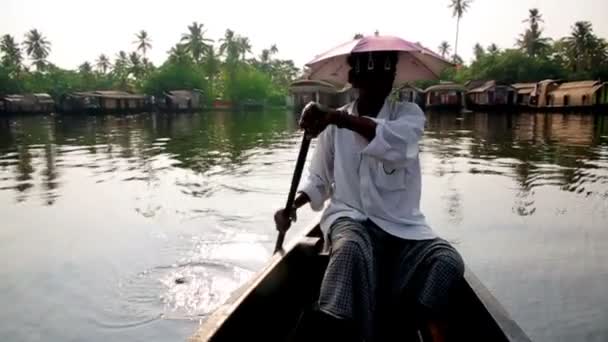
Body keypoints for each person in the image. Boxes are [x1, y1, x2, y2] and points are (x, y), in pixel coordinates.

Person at [274, 51, 464, 342]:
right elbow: (319, 180)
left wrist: (337, 118)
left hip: (403, 227)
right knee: (350, 248)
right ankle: (334, 328)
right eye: (373, 74)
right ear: (354, 79)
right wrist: (293, 206)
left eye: (388, 74)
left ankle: (412, 319)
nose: (383, 82)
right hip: (351, 218)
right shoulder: (331, 129)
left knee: (447, 261)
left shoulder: (408, 116)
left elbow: (396, 144)